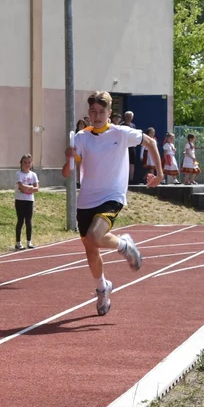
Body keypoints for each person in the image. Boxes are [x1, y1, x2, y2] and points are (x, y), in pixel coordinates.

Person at [62, 90, 161, 317]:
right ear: (88, 113)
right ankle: (102, 288)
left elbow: (150, 142)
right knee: (91, 249)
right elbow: (67, 172)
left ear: (109, 113)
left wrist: (159, 173)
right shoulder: (81, 137)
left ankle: (124, 245)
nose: (97, 116)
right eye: (93, 112)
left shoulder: (121, 133)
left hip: (112, 196)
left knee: (96, 236)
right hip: (86, 198)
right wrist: (69, 157)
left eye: (102, 112)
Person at [14, 154, 39, 250]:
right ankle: (18, 242)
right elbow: (21, 187)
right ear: (21, 163)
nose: (27, 164)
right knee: (20, 220)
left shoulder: (33, 175)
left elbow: (37, 189)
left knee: (28, 221)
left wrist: (29, 188)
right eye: (25, 162)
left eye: (29, 162)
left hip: (29, 200)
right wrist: (30, 188)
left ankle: (29, 241)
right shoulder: (18, 174)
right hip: (20, 200)